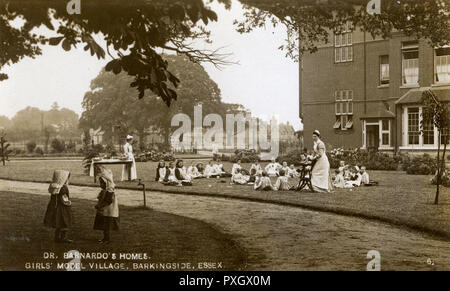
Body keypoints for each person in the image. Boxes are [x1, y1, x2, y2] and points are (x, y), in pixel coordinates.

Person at [44, 170, 73, 243]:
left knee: (58, 222)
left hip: (55, 207)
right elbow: (64, 199)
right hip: (62, 208)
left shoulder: (54, 187)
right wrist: (69, 203)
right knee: (64, 221)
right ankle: (63, 238)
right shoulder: (63, 188)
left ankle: (56, 237)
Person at [94, 167, 119, 244]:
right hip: (105, 210)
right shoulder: (105, 190)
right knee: (104, 225)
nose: (100, 184)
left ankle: (107, 239)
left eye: (102, 183)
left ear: (106, 182)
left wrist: (100, 206)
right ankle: (105, 238)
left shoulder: (109, 190)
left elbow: (108, 201)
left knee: (107, 225)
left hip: (108, 210)